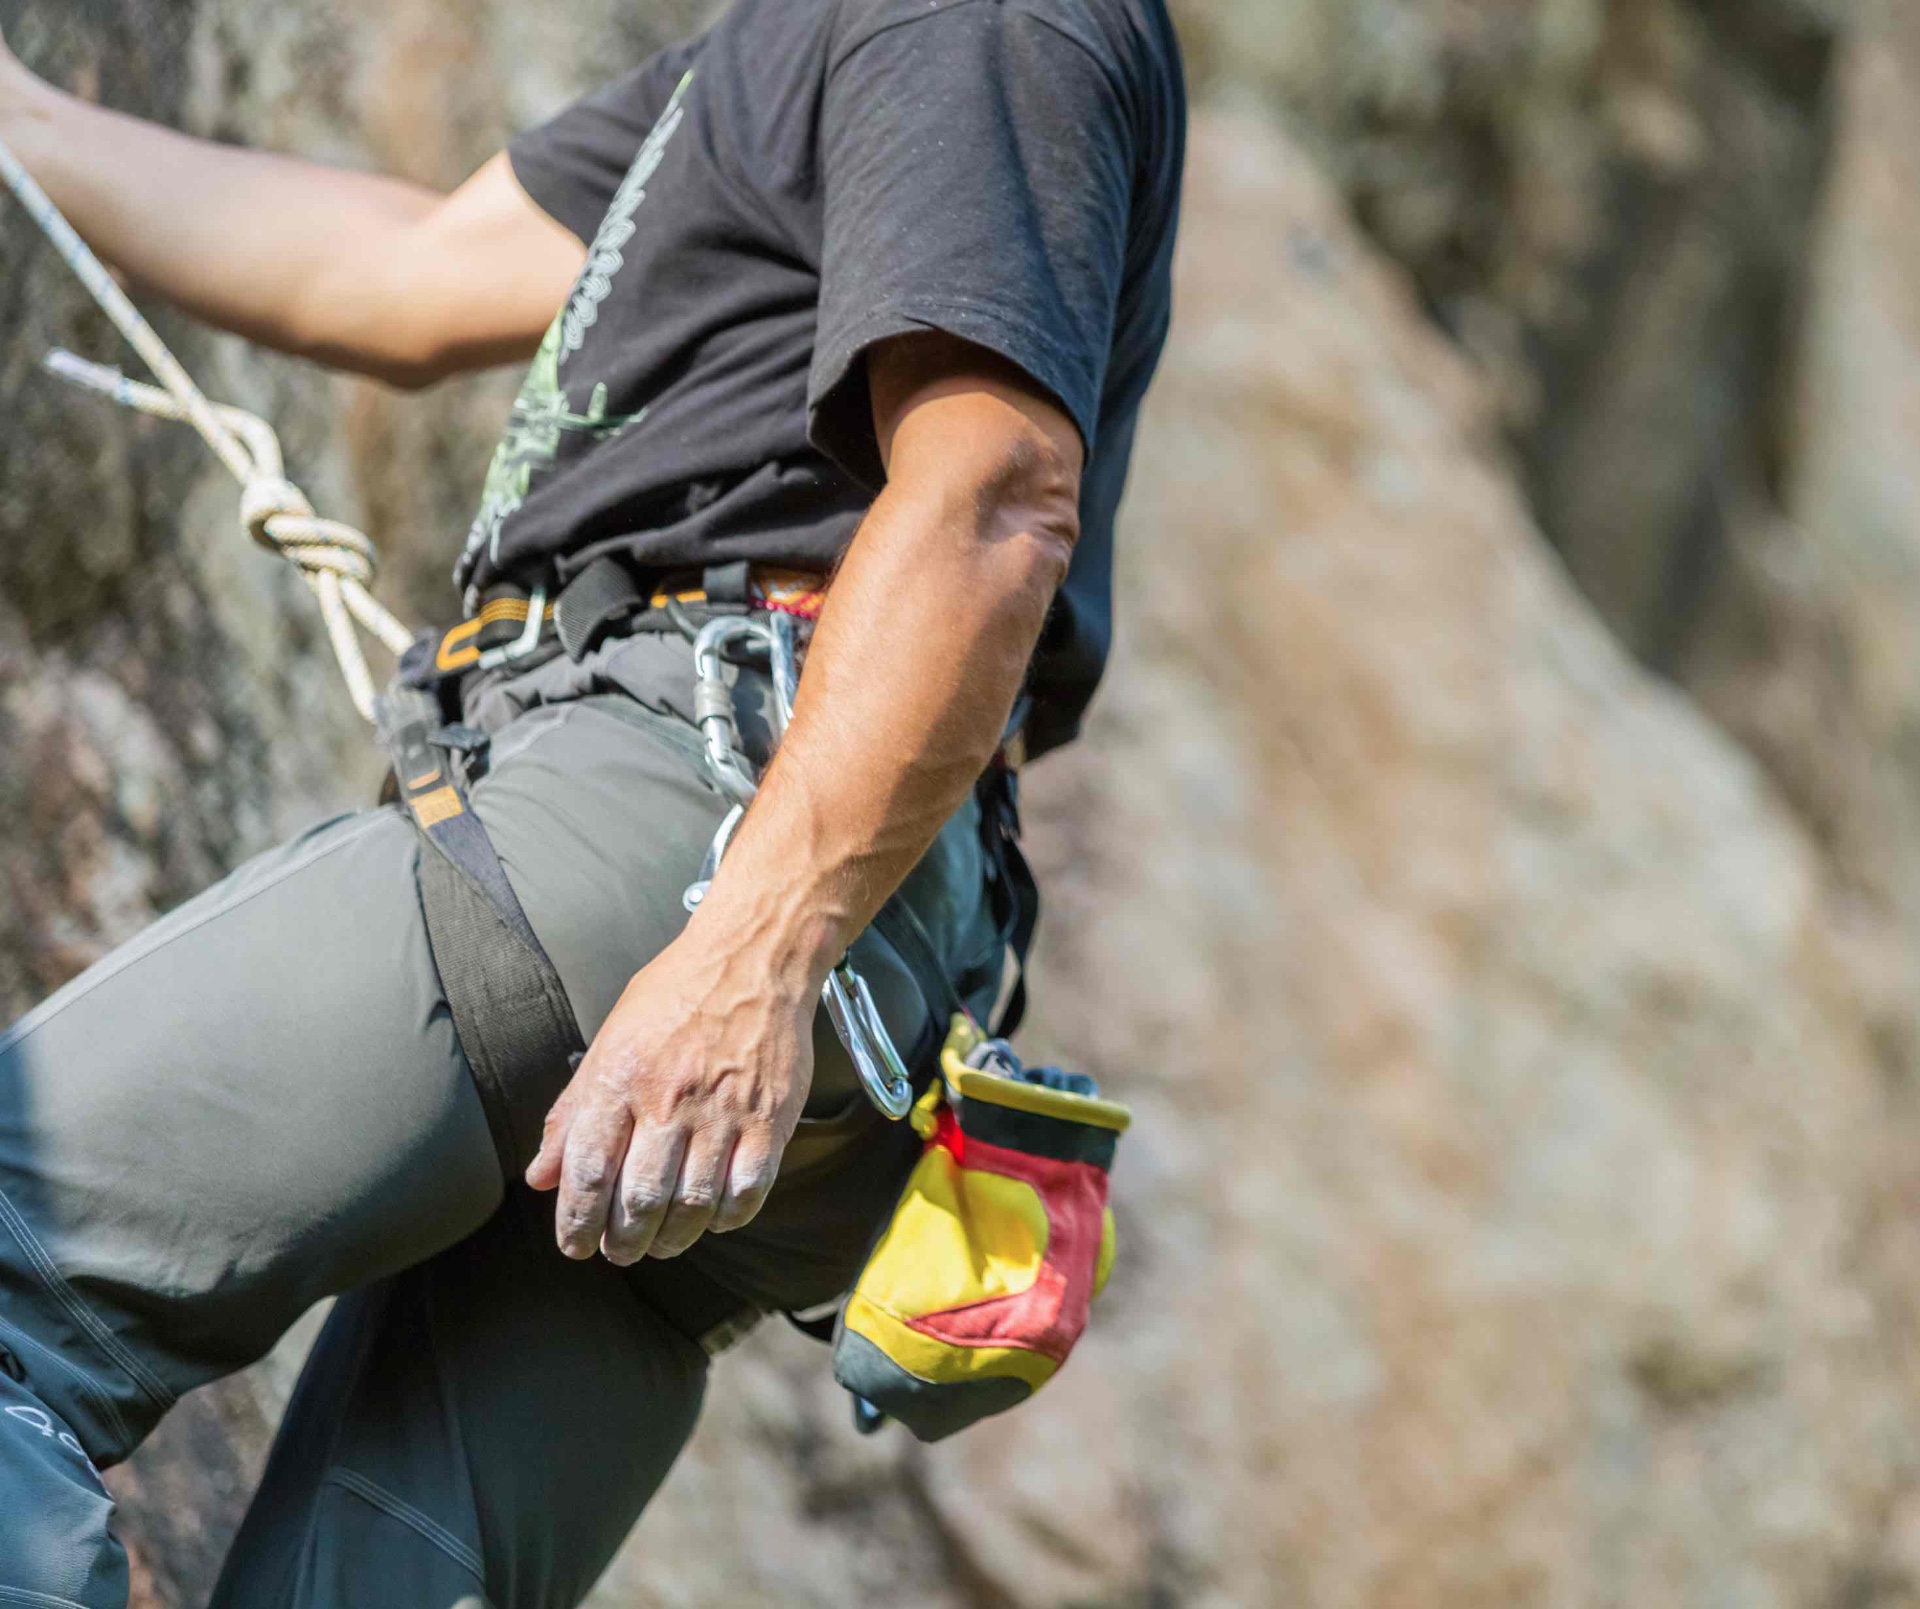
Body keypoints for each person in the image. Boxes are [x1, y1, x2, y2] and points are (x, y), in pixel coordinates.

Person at [0, 0, 1186, 1601]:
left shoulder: (966, 18)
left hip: (690, 832)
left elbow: (992, 493)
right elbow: (412, 273)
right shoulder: (811, 46)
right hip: (820, 954)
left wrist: (745, 954)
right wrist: (33, 121)